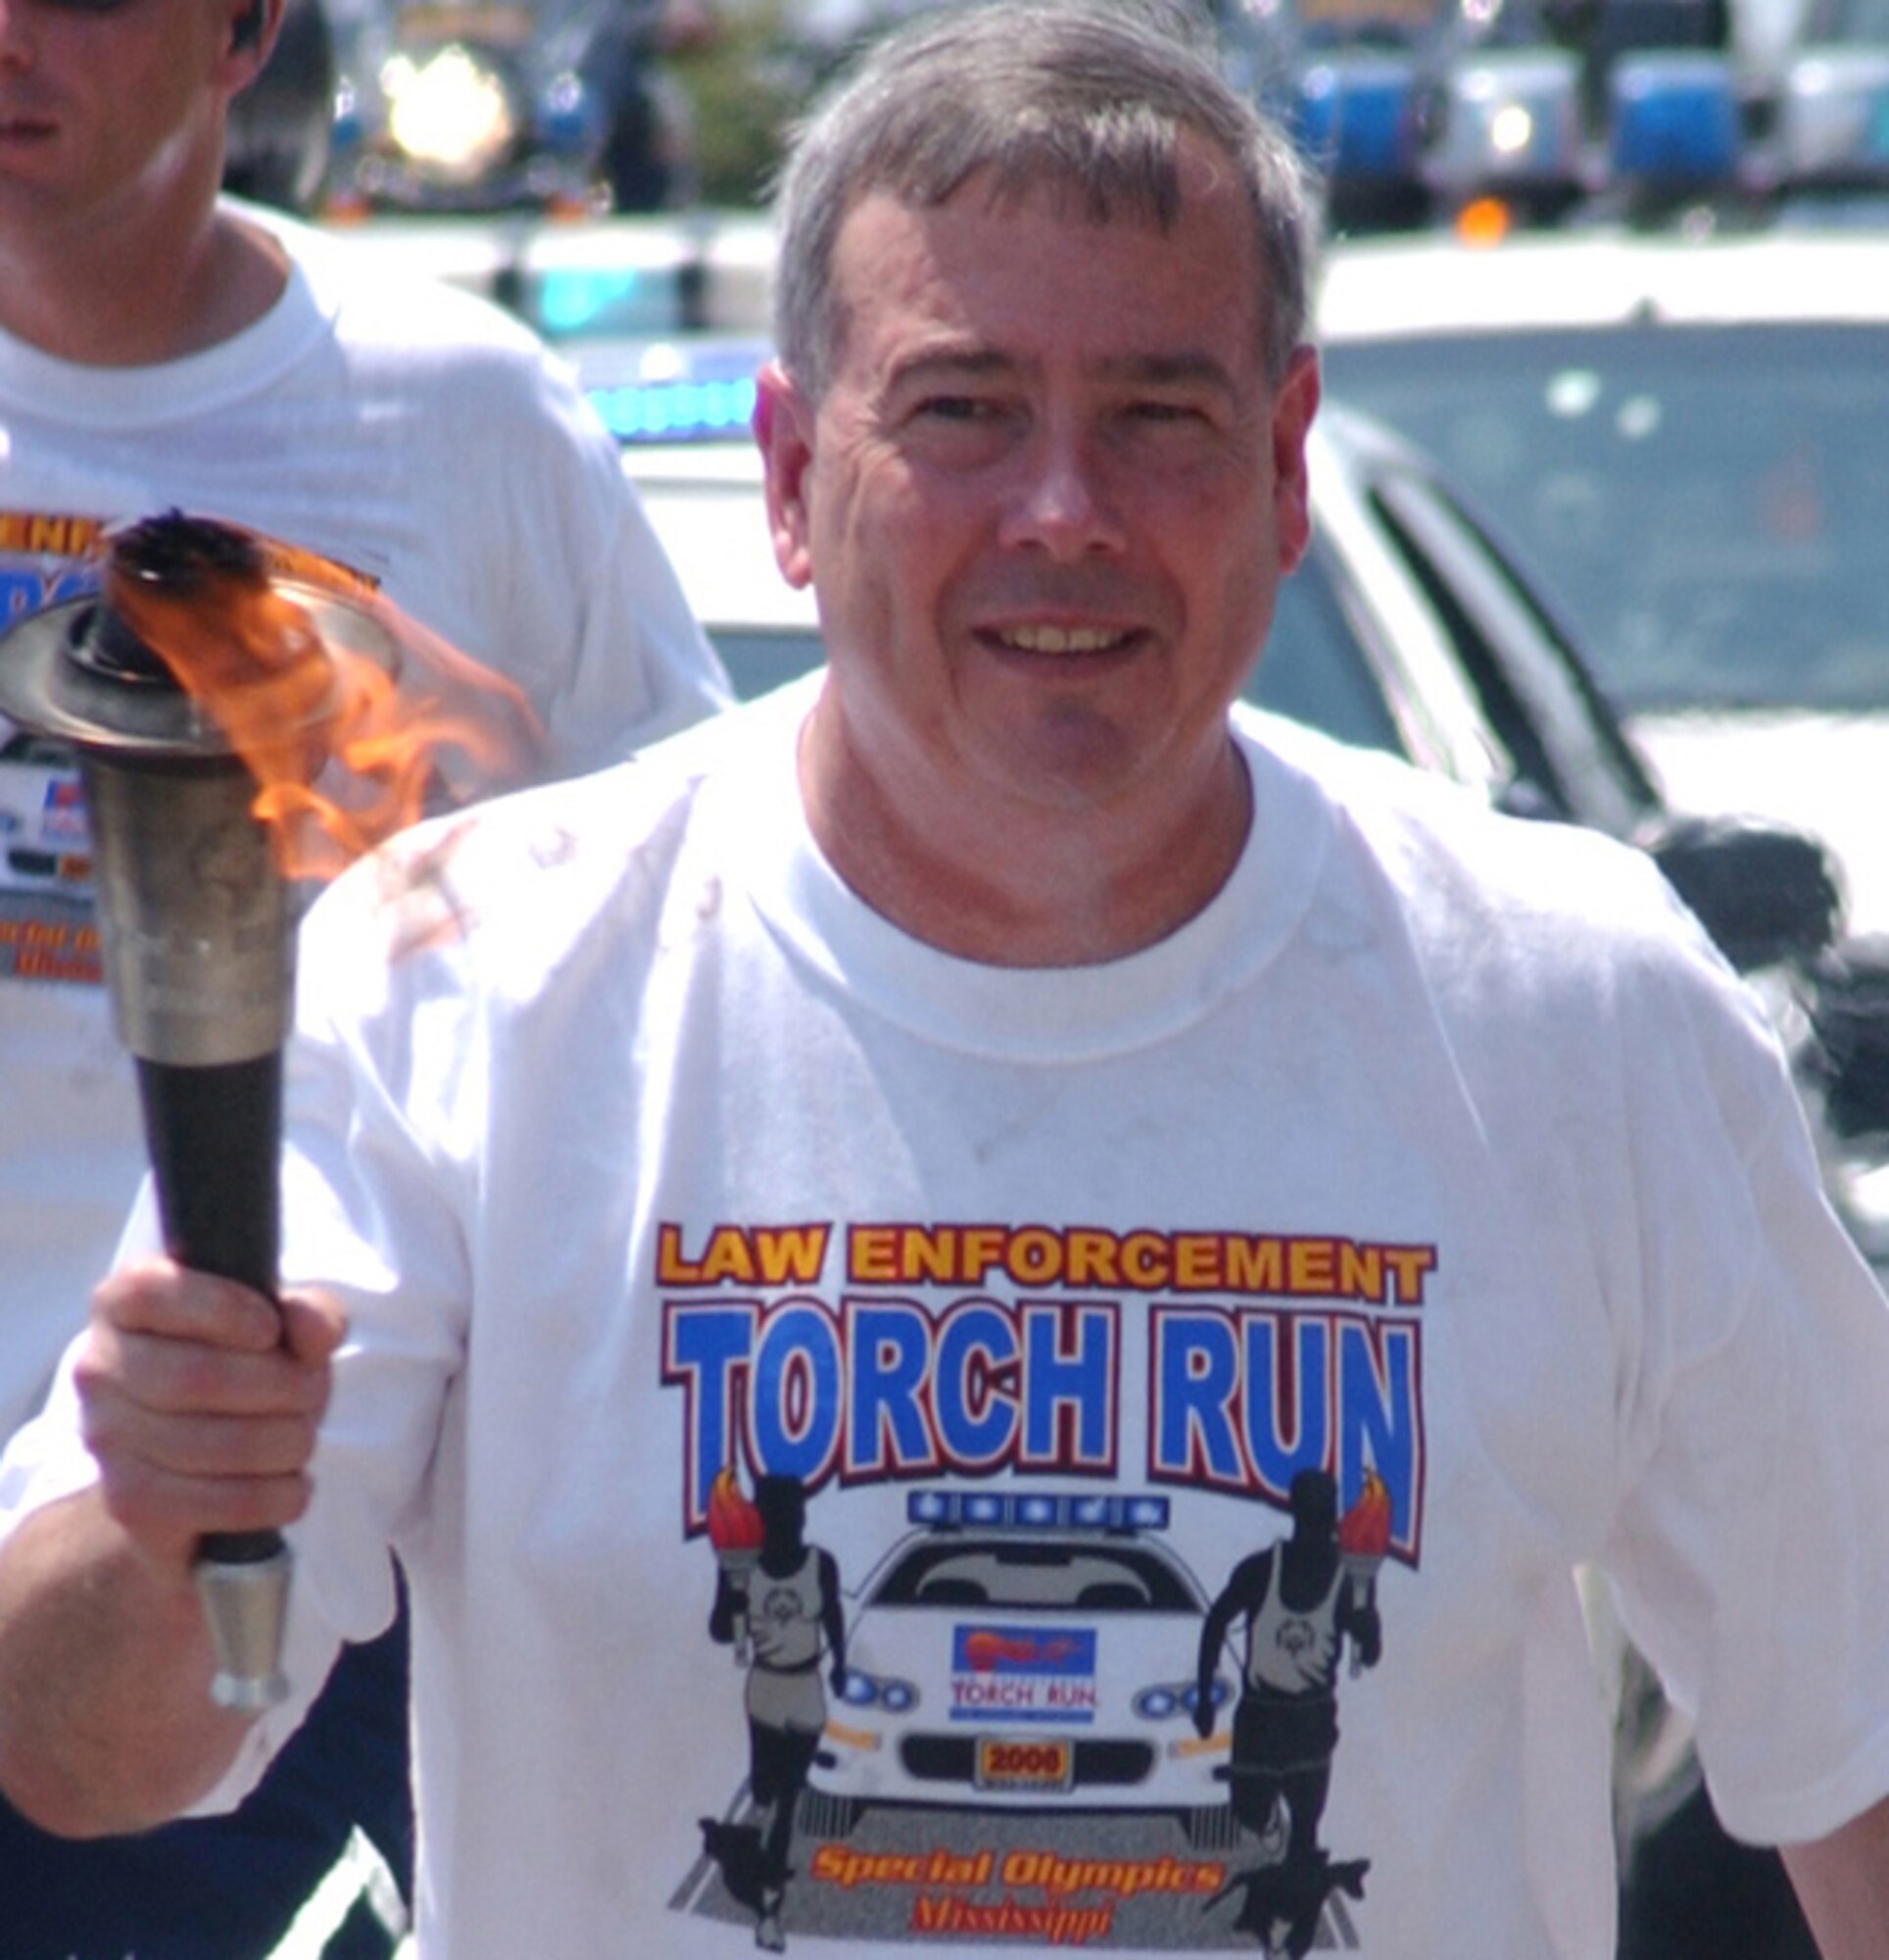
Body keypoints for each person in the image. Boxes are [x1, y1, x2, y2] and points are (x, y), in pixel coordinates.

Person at [2, 3, 1887, 1955]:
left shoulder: (1575, 1013)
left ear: (1284, 460)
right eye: (962, 409)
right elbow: (96, 1755)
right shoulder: (456, 989)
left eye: (1158, 414)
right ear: (795, 474)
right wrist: (162, 1513)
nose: (1059, 511)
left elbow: (1858, 1735)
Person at [0, 0, 729, 1951]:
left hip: (270, 1562)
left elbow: (696, 942)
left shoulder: (456, 415)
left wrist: (458, 803)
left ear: (242, 35)